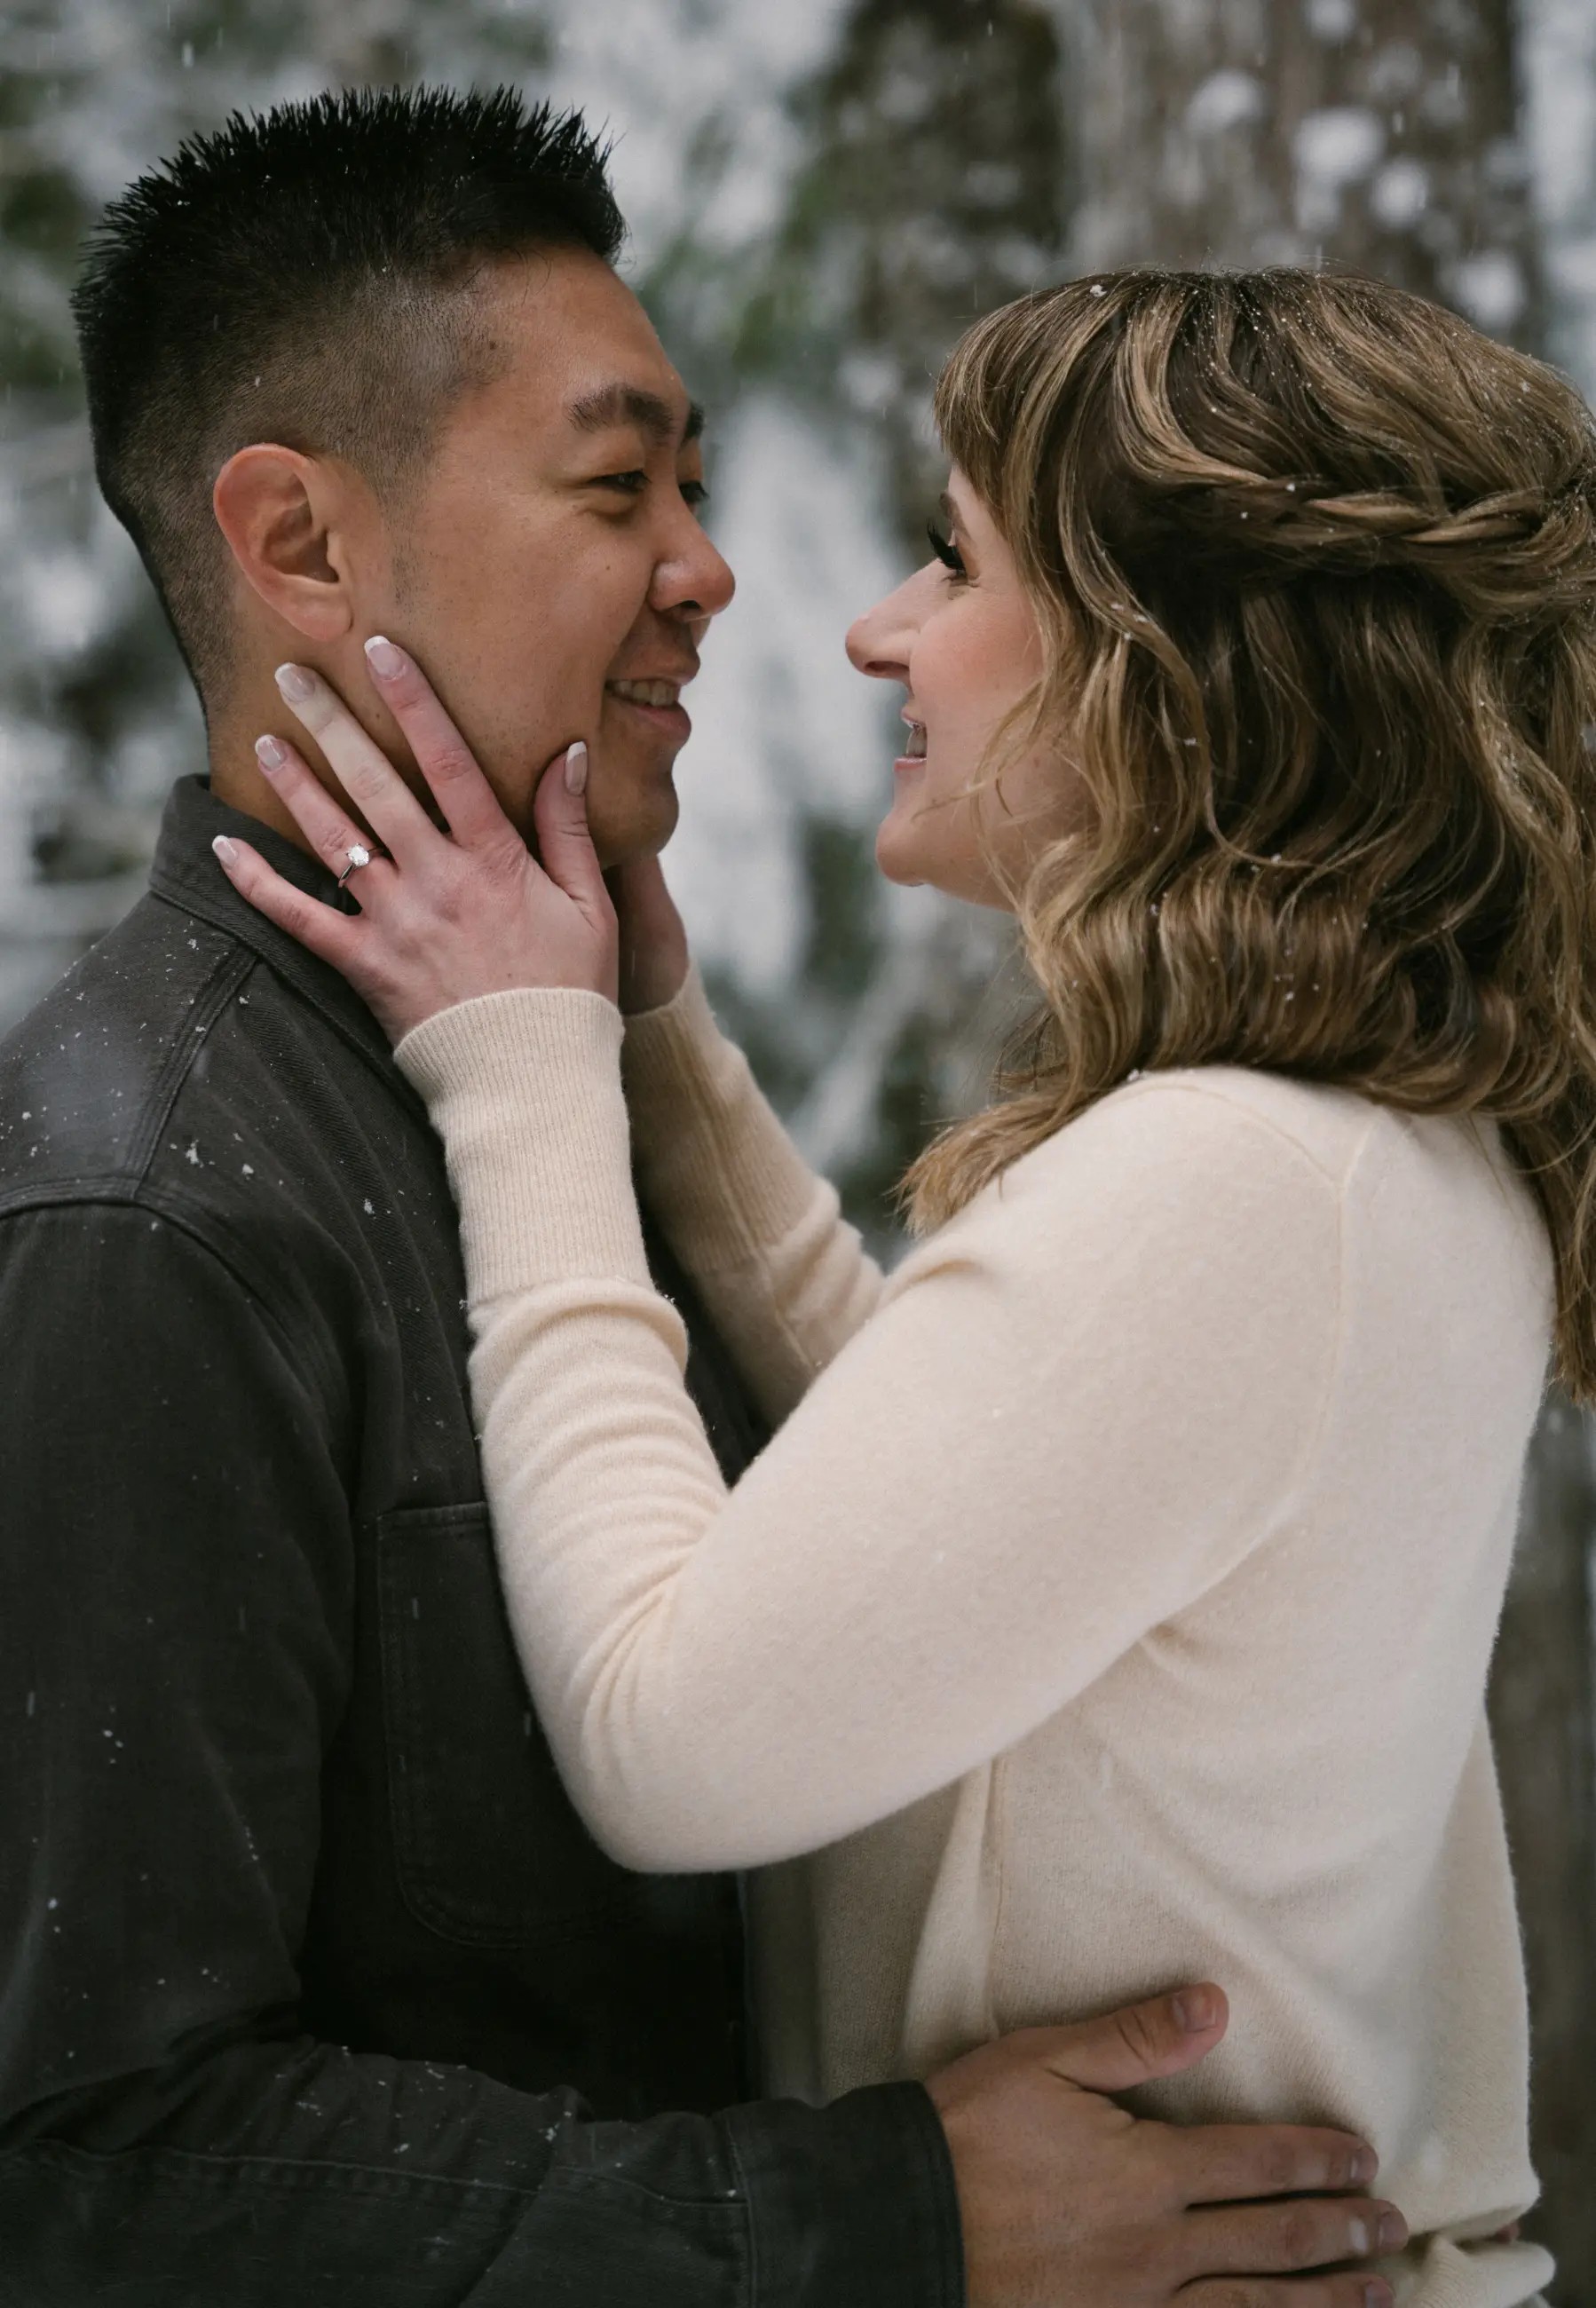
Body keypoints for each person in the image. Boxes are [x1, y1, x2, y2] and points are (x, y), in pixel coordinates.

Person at [0, 88, 1394, 2308]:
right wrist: (871, 2216)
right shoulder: (147, 1206)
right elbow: (85, 2159)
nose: (715, 570)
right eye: (615, 481)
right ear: (301, 545)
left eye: (701, 485)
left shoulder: (550, 1072)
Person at [218, 263, 1595, 2308]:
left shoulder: (1240, 1181)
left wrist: (515, 1069)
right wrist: (645, 1025)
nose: (871, 628)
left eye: (951, 559)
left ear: (1170, 663)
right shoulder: (1364, 1162)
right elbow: (939, 1529)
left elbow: (674, 1723)